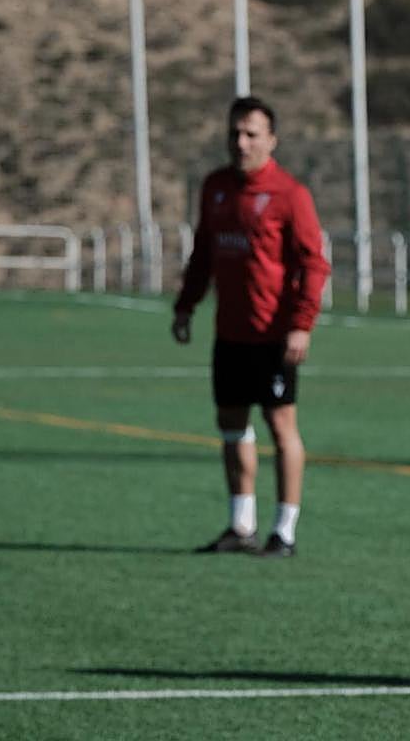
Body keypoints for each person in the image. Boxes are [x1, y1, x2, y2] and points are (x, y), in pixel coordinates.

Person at [172, 96, 330, 558]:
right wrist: (186, 306)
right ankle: (241, 525)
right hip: (230, 335)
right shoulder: (216, 187)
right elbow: (203, 252)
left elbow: (314, 264)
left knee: (282, 428)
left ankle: (285, 531)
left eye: (251, 134)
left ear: (271, 140)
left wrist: (301, 325)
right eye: (234, 134)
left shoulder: (290, 194)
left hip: (274, 338)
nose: (240, 143)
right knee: (231, 426)